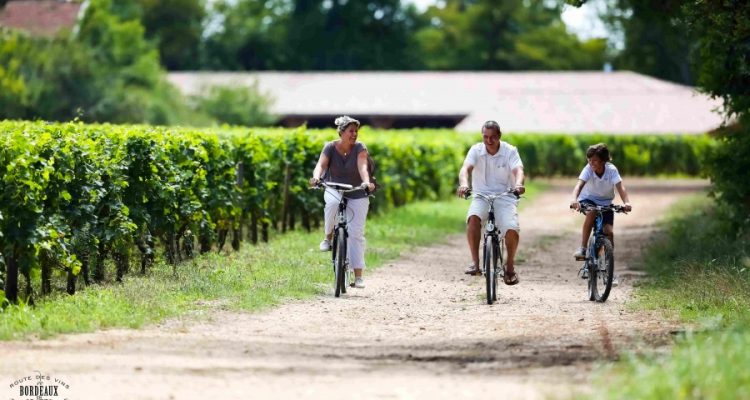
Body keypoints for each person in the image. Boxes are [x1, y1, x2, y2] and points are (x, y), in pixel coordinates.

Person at [309, 116, 376, 289]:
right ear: (341, 132)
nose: (354, 134)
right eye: (350, 131)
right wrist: (316, 177)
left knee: (355, 233)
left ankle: (358, 275)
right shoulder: (330, 147)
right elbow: (321, 165)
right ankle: (328, 237)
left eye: (356, 131)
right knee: (331, 204)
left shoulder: (360, 148)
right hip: (334, 187)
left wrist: (366, 182)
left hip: (357, 191)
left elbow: (362, 166)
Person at [457, 120, 525, 285]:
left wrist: (518, 184)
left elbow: (518, 170)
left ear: (499, 136)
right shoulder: (476, 150)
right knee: (473, 218)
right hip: (481, 195)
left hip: (505, 195)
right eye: (485, 137)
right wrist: (464, 184)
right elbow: (465, 168)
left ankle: (509, 267)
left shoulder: (510, 151)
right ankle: (475, 263)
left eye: (492, 137)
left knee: (511, 228)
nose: (489, 141)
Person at [569, 143, 632, 266]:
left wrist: (627, 202)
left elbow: (621, 188)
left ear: (604, 161)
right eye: (589, 160)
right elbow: (579, 186)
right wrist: (574, 199)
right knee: (591, 212)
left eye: (595, 160)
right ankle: (583, 248)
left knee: (609, 232)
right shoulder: (588, 169)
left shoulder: (611, 170)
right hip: (588, 199)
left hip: (606, 203)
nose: (591, 163)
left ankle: (609, 268)